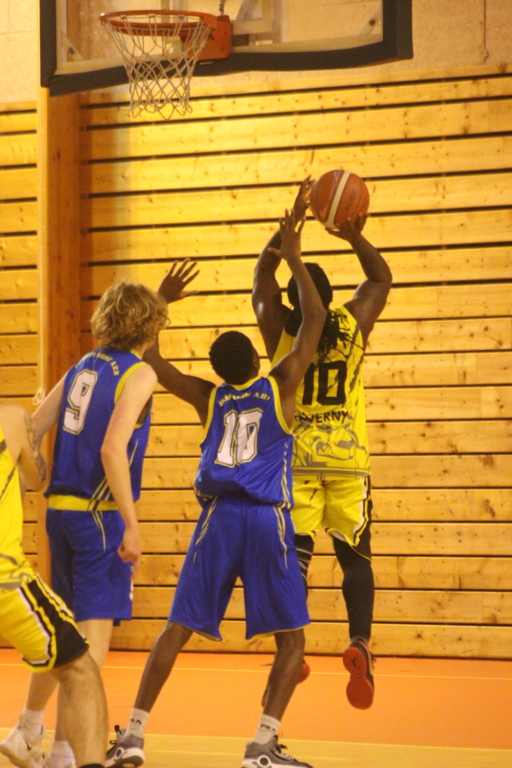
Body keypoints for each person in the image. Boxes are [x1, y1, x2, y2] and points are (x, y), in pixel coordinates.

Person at [105, 210, 326, 768]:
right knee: (292, 640)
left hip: (218, 520)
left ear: (222, 370)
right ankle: (261, 746)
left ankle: (133, 735)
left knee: (176, 629)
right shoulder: (281, 383)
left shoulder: (208, 397)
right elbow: (315, 319)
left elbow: (153, 359)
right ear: (255, 359)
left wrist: (161, 300)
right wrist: (293, 257)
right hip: (267, 519)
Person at [0, 275, 179, 768]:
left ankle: (27, 729)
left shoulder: (83, 364)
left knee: (61, 632)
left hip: (59, 514)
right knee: (89, 649)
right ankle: (65, 752)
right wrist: (132, 524)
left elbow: (33, 425)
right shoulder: (140, 374)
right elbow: (112, 448)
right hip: (99, 519)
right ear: (151, 327)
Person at [252, 178, 392, 710]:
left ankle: (293, 644)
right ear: (334, 297)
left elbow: (261, 280)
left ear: (293, 296)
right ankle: (359, 641)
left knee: (297, 558)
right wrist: (352, 236)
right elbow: (380, 279)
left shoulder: (279, 330)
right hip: (348, 462)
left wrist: (287, 237)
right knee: (355, 558)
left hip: (297, 462)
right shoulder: (353, 322)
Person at [0, 402, 108, 768]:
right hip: (5, 579)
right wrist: (31, 432)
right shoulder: (9, 419)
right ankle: (52, 745)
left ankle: (28, 730)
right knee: (80, 670)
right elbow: (36, 478)